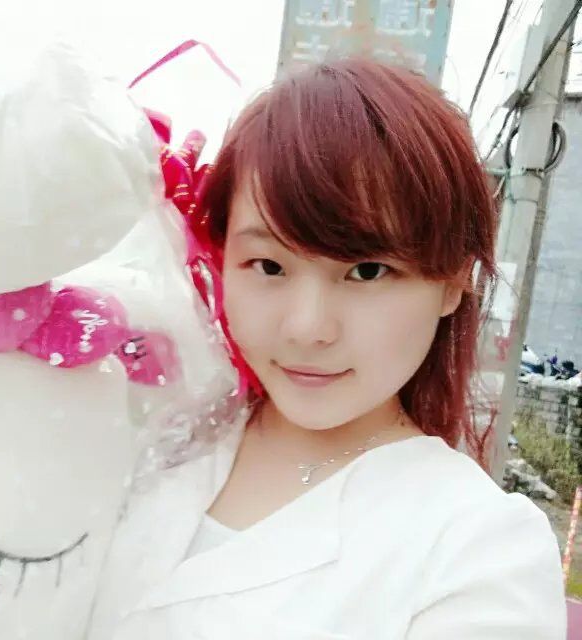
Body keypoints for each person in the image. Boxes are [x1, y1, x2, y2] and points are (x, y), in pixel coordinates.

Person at [89, 57, 567, 640]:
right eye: (268, 266)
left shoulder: (480, 552)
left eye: (367, 271)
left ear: (452, 282)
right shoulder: (158, 434)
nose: (307, 328)